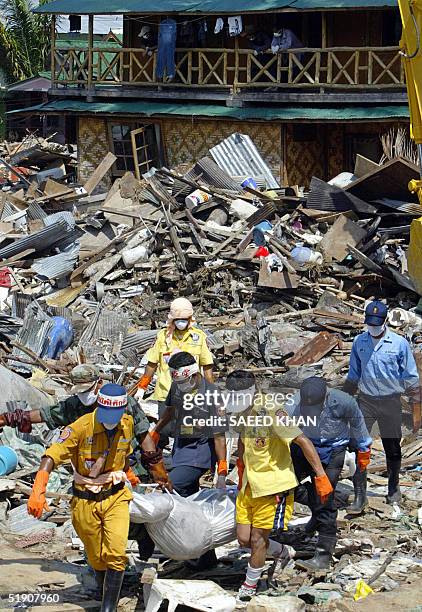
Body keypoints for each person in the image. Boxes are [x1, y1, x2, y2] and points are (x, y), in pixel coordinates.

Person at [0, 364, 171, 560]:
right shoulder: (75, 407)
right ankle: (104, 563)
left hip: (125, 467)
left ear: (98, 383)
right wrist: (10, 418)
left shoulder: (122, 403)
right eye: (79, 391)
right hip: (91, 475)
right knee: (92, 522)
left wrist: (159, 471)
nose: (83, 395)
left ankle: (140, 544)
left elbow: (144, 436)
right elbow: (46, 415)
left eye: (87, 390)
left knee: (131, 517)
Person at [226, 370, 333, 604]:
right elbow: (243, 440)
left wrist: (321, 476)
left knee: (257, 539)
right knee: (243, 538)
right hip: (248, 486)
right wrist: (239, 466)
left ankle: (249, 585)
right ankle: (283, 552)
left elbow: (302, 440)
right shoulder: (240, 410)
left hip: (272, 486)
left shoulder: (272, 410)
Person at [28, 384, 135, 612]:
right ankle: (101, 585)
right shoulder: (80, 428)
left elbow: (125, 453)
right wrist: (39, 487)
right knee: (97, 557)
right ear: (99, 406)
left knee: (115, 552)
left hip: (116, 496)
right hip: (85, 500)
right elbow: (52, 455)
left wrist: (128, 472)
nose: (111, 420)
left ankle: (109, 607)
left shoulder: (127, 424)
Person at [151, 350, 227, 568]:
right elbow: (170, 410)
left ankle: (175, 545)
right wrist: (156, 431)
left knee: (170, 489)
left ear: (194, 374)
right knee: (192, 503)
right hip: (181, 448)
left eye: (185, 381)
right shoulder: (178, 386)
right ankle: (205, 557)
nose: (182, 385)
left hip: (200, 453)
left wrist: (222, 470)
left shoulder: (212, 394)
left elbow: (220, 435)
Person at [288, 376, 372, 571]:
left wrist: (363, 451)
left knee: (324, 497)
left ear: (325, 397)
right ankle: (316, 512)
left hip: (333, 451)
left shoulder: (344, 402)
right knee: (288, 487)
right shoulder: (293, 405)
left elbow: (358, 426)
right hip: (303, 448)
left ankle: (323, 555)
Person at [344, 300, 421, 509]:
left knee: (392, 448)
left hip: (390, 402)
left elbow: (411, 376)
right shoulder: (360, 342)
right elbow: (353, 375)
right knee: (358, 446)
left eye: (377, 323)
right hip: (366, 401)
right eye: (370, 323)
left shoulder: (399, 344)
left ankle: (393, 487)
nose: (374, 327)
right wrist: (342, 400)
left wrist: (416, 406)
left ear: (385, 321)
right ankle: (360, 495)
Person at [136, 297, 214, 424]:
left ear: (190, 319)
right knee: (165, 430)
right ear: (172, 319)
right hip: (166, 394)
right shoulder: (162, 337)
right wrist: (142, 387)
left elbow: (207, 367)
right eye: (178, 320)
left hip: (192, 395)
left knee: (187, 432)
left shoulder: (198, 337)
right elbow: (152, 364)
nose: (181, 323)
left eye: (184, 319)